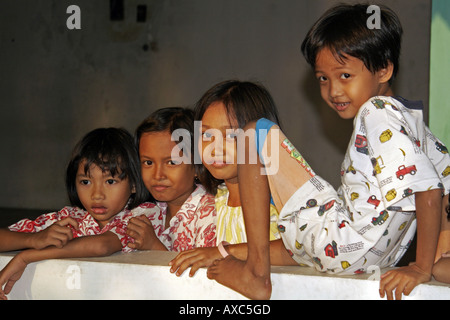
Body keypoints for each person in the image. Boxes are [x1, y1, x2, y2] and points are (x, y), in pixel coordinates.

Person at [205, 4, 450, 300]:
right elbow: (444, 185)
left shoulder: (376, 112)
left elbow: (429, 189)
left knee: (255, 133)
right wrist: (439, 258)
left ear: (384, 69)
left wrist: (422, 267)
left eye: (345, 75)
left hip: (344, 242)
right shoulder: (413, 121)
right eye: (323, 78)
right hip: (370, 259)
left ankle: (256, 273)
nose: (333, 90)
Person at [0, 127, 159, 299]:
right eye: (85, 181)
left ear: (134, 184)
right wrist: (33, 239)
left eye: (110, 181)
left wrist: (26, 257)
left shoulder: (143, 215)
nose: (97, 194)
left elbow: (101, 246)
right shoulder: (70, 218)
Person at [169, 82, 295, 281]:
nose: (215, 147)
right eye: (207, 134)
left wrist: (224, 252)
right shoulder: (211, 202)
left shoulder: (280, 199)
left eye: (231, 135)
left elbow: (299, 252)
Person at [128, 107, 216, 252]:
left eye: (172, 163)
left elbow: (202, 274)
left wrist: (154, 247)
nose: (158, 175)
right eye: (148, 163)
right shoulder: (147, 212)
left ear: (197, 165)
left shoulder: (209, 214)